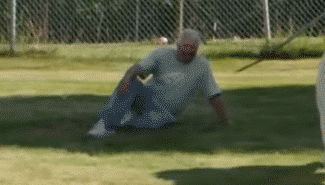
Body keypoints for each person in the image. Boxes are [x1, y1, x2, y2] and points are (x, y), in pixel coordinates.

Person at [87, 29, 230, 137]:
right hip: (146, 98)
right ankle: (104, 125)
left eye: (191, 50)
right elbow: (138, 69)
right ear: (177, 45)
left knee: (148, 124)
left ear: (197, 48)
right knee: (132, 82)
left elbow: (214, 95)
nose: (187, 53)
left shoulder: (202, 65)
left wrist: (224, 121)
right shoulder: (161, 54)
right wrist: (126, 77)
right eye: (184, 48)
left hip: (165, 113)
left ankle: (124, 118)